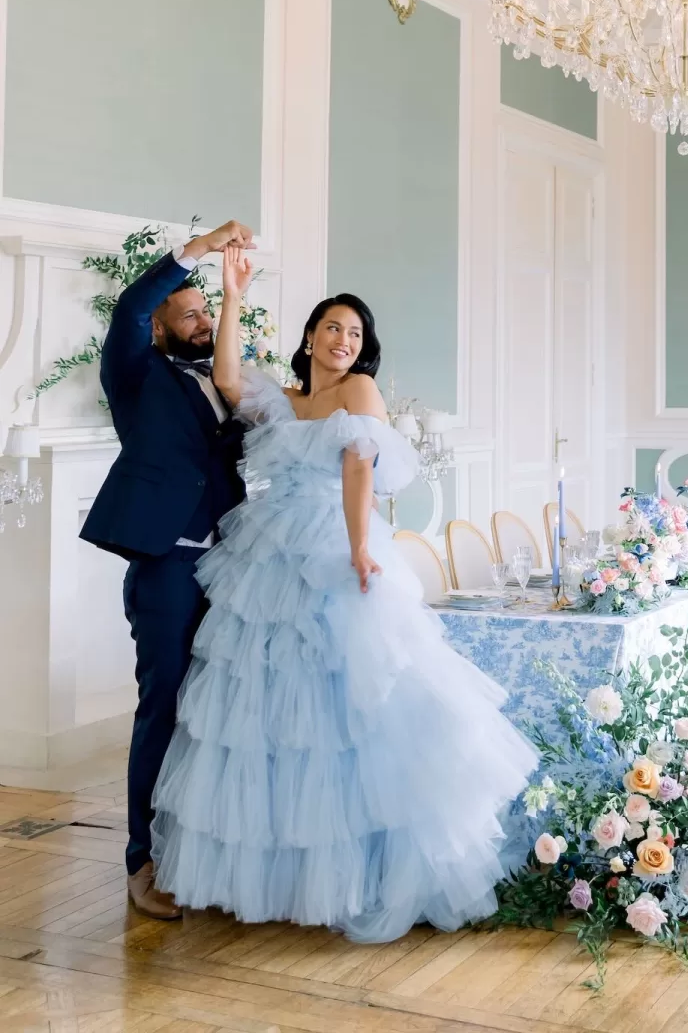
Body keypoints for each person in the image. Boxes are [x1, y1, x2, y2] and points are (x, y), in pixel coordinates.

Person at [150, 248, 537, 941]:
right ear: (309, 337)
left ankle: (369, 868)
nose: (344, 342)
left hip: (332, 543)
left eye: (355, 335)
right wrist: (232, 295)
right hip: (265, 552)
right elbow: (230, 378)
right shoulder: (283, 400)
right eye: (333, 328)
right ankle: (284, 871)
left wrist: (361, 546)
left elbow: (360, 470)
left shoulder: (359, 394)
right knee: (265, 709)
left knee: (354, 702)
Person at [80, 220, 253, 920]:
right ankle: (142, 860)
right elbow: (128, 307)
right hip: (168, 571)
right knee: (166, 708)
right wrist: (200, 251)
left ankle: (208, 853)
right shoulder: (135, 373)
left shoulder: (226, 379)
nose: (202, 318)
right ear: (158, 330)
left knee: (223, 714)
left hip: (237, 570)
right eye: (188, 312)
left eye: (205, 308)